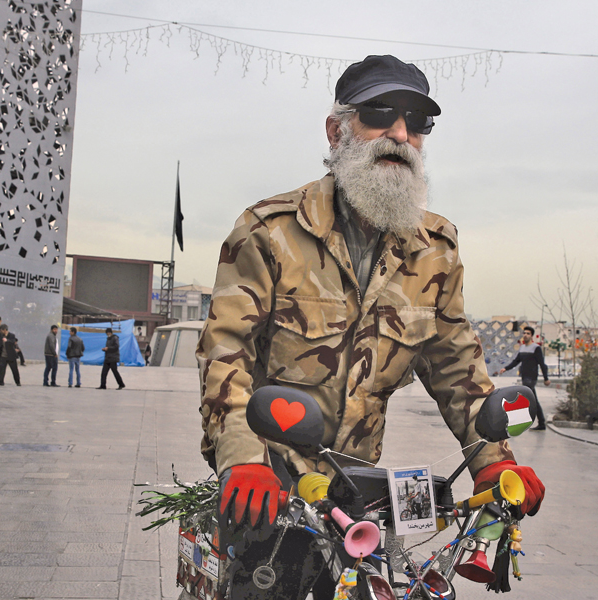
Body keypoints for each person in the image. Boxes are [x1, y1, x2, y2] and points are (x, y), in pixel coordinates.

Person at [195, 55, 545, 598]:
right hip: (270, 487)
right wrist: (243, 460)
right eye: (381, 113)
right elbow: (226, 350)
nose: (400, 133)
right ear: (338, 129)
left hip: (356, 493)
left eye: (417, 121)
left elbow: (457, 367)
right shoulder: (268, 231)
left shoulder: (437, 250)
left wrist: (493, 463)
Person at [497, 326, 550, 430]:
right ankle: (541, 423)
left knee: (525, 398)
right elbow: (516, 361)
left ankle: (517, 422)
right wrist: (505, 368)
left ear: (532, 336)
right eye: (524, 333)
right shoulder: (522, 348)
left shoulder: (536, 348)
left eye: (528, 333)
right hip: (524, 377)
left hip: (531, 378)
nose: (525, 335)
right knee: (532, 400)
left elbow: (542, 364)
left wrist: (546, 378)